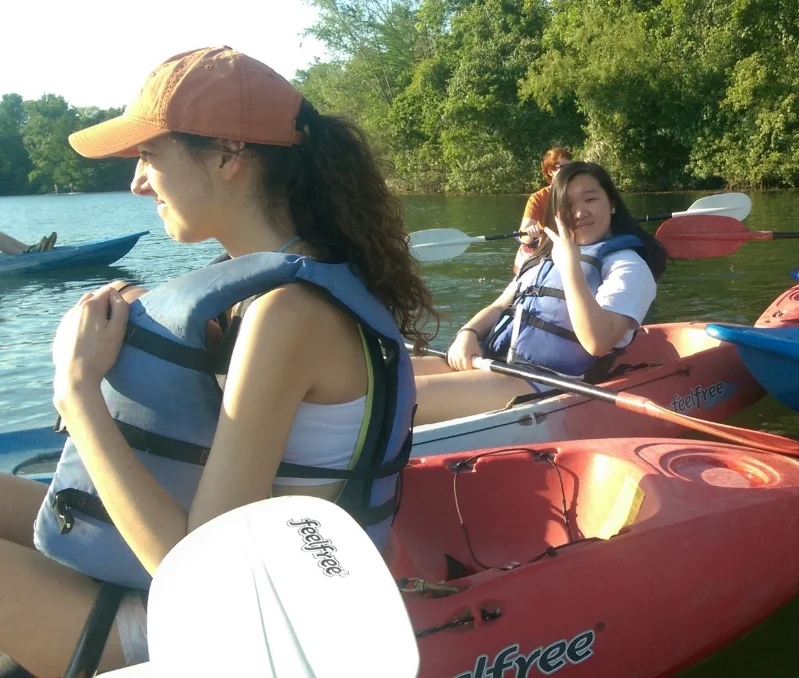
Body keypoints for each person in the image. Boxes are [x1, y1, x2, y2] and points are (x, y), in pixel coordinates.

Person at [0, 46, 436, 676]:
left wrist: (78, 391)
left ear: (230, 155)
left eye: (150, 157)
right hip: (228, 587)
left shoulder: (288, 316)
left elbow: (202, 570)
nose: (137, 183)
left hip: (248, 627)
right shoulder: (276, 287)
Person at [412, 161, 667, 426]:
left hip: (544, 380)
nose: (579, 213)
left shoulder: (628, 265)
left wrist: (570, 266)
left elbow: (597, 341)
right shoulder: (545, 255)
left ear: (612, 204)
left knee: (402, 396)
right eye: (568, 205)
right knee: (383, 377)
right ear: (556, 213)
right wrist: (469, 333)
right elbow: (501, 306)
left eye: (590, 199)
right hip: (492, 359)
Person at [513, 146, 573, 273]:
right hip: (547, 247)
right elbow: (523, 234)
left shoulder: (579, 193)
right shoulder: (538, 198)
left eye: (570, 168)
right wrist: (529, 233)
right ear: (550, 171)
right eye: (562, 167)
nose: (568, 172)